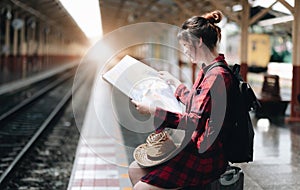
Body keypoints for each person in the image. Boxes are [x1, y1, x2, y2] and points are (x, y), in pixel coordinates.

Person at [129, 10, 236, 189]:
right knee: (135, 170)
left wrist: (153, 110)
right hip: (195, 147)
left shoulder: (216, 76)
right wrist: (176, 84)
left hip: (204, 157)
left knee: (141, 186)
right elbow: (199, 105)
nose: (185, 51)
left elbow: (195, 121)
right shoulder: (209, 70)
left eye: (186, 46)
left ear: (199, 41)